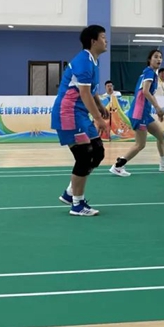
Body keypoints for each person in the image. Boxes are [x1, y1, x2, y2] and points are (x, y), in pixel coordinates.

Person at [51, 25, 110, 217]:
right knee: (84, 156)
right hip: (68, 113)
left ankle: (70, 192)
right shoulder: (83, 61)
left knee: (98, 152)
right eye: (103, 37)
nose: (106, 40)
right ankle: (77, 204)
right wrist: (99, 119)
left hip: (80, 114)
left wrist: (100, 106)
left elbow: (91, 91)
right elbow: (84, 93)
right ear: (93, 41)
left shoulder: (93, 61)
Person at [111, 49, 164, 177]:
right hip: (139, 114)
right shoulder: (149, 72)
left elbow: (149, 93)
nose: (158, 59)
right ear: (149, 60)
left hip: (145, 114)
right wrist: (157, 107)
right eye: (155, 57)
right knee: (140, 144)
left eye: (160, 57)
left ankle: (163, 164)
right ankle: (118, 166)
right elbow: (146, 92)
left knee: (161, 136)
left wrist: (157, 111)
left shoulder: (151, 74)